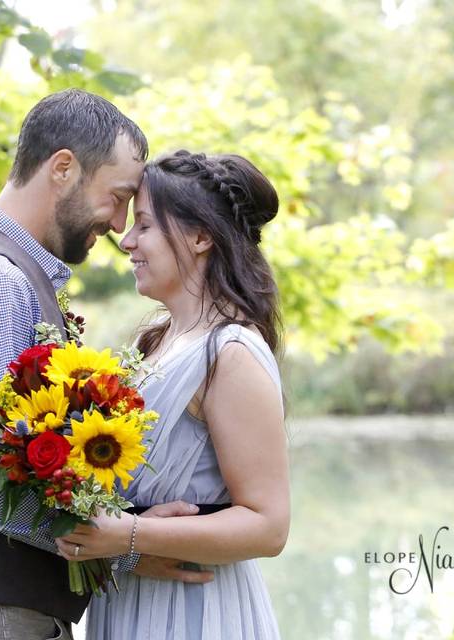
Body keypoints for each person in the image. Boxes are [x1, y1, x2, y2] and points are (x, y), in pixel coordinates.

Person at [0, 91, 212, 640]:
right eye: (118, 197)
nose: (120, 225)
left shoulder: (16, 277)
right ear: (63, 168)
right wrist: (123, 544)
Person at [56, 150, 290, 639]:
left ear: (200, 236)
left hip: (194, 612)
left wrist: (130, 535)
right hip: (131, 601)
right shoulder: (154, 345)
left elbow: (268, 526)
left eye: (144, 224)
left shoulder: (231, 352)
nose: (127, 241)